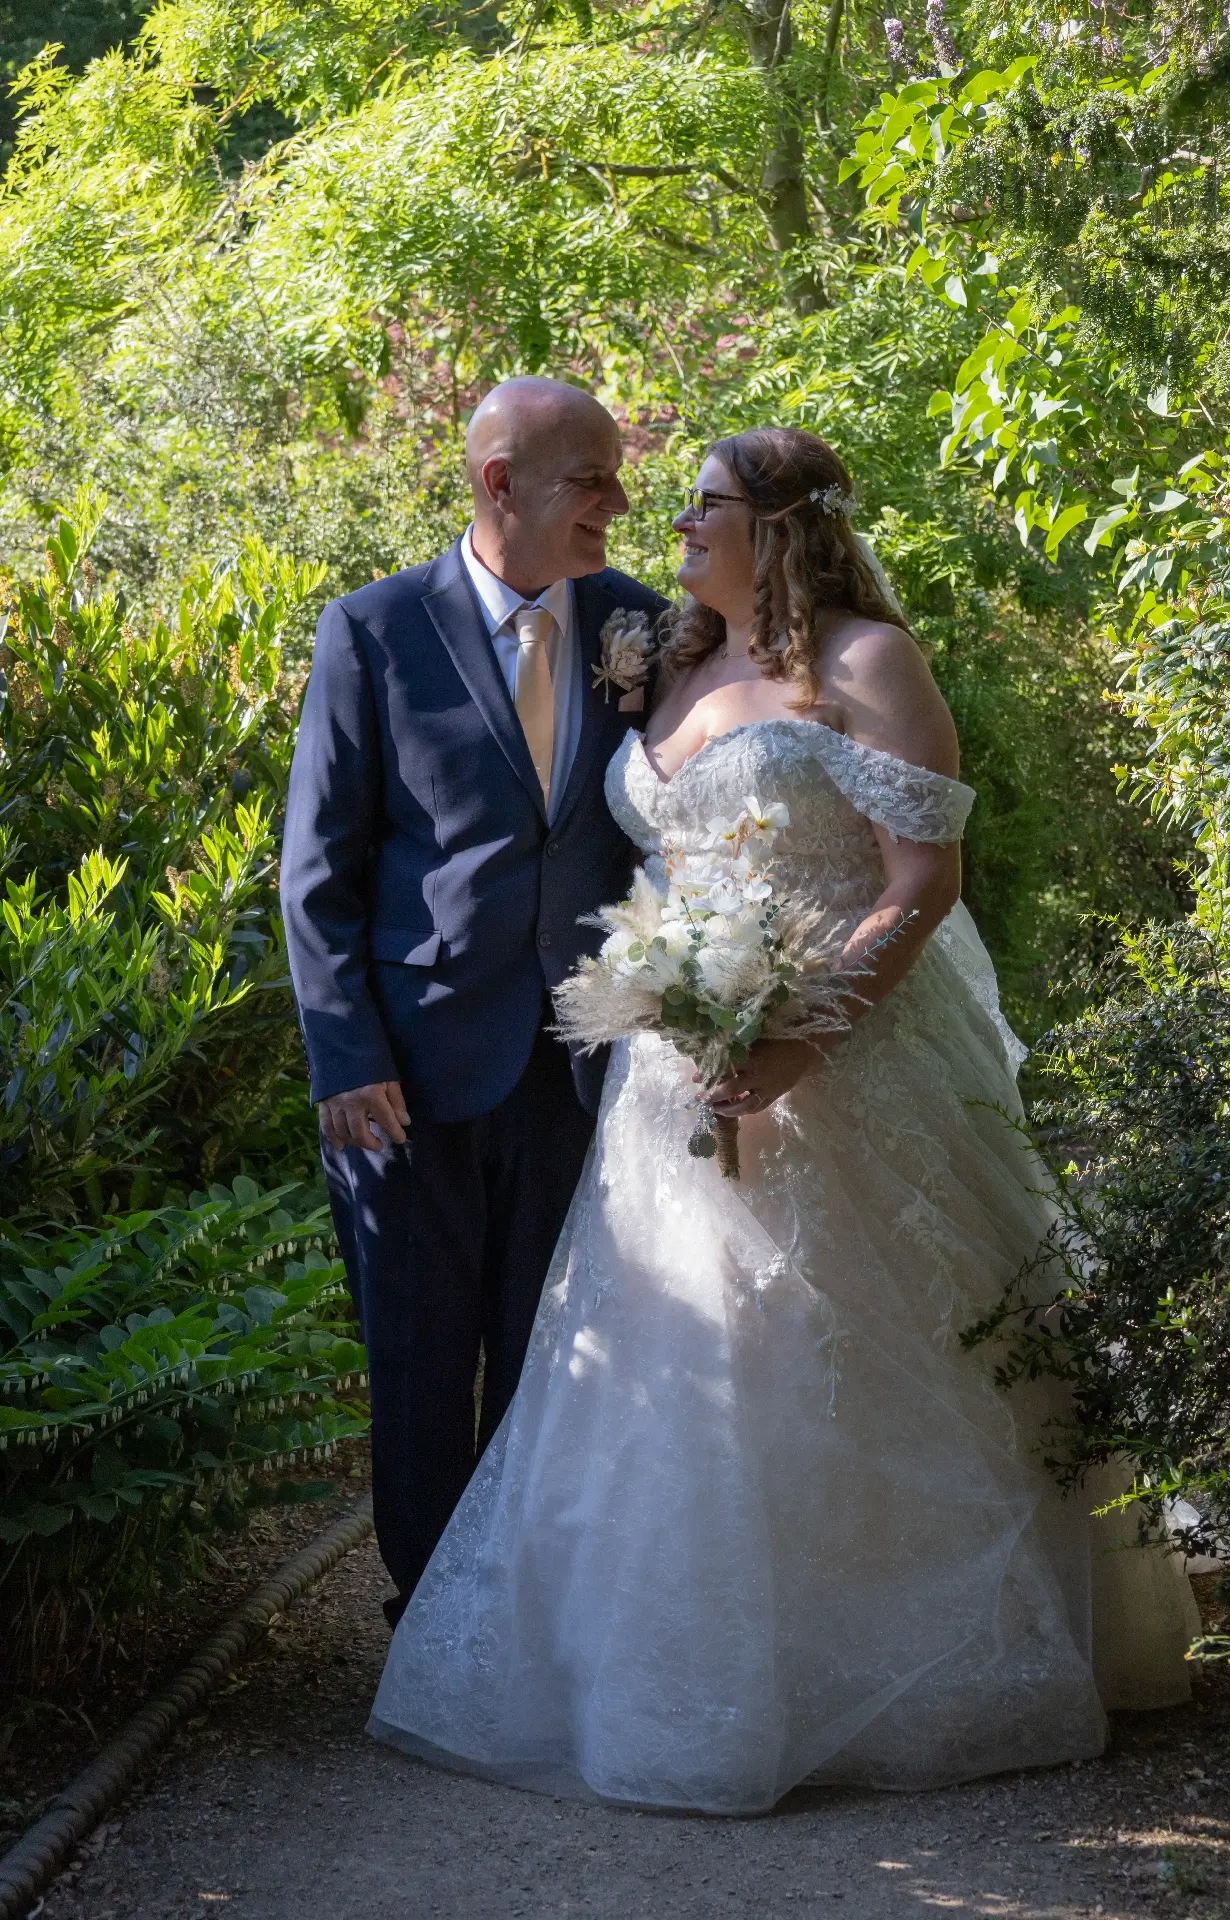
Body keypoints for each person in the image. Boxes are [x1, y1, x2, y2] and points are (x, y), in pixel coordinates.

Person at [368, 426, 1199, 1810]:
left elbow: (921, 878)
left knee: (852, 1341)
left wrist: (799, 1032)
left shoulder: (866, 663)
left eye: (698, 507)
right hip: (670, 1070)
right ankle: (664, 1679)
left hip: (845, 1052)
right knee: (679, 1355)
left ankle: (893, 1670)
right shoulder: (672, 655)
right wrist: (679, 1006)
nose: (671, 528)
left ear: (780, 525)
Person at [280, 377, 670, 1626]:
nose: (617, 501)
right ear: (500, 483)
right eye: (591, 478)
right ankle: (429, 1611)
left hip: (579, 1058)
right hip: (411, 1069)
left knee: (552, 1351)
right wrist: (346, 1060)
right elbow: (318, 875)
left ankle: (516, 1608)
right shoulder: (373, 631)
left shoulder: (642, 628)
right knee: (420, 1352)